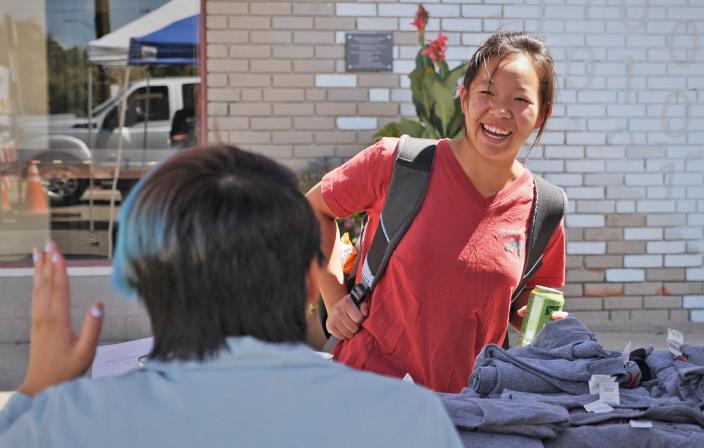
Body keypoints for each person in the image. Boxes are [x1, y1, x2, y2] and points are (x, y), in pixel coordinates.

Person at [0, 145, 462, 447]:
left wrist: (34, 392)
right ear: (308, 279)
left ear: (145, 282)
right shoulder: (410, 423)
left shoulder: (68, 425)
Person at [306, 31, 569, 394]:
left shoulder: (544, 208)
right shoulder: (399, 163)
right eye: (487, 93)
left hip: (470, 409)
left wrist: (535, 323)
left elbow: (525, 309)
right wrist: (334, 301)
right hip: (369, 392)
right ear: (463, 98)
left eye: (520, 99)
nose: (500, 110)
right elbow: (311, 210)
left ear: (541, 114)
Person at [169, 84, 197, 148]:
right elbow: (174, 136)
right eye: (189, 97)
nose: (192, 100)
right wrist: (188, 136)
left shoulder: (203, 113)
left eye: (194, 97)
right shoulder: (180, 114)